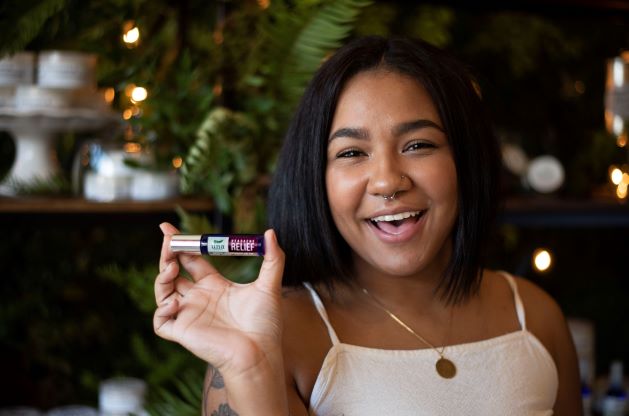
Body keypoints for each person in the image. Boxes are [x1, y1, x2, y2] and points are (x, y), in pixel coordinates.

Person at [153, 36, 581, 415]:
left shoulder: (536, 316)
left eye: (418, 145)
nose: (387, 182)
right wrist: (250, 370)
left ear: (465, 159)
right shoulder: (273, 338)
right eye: (352, 153)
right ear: (315, 178)